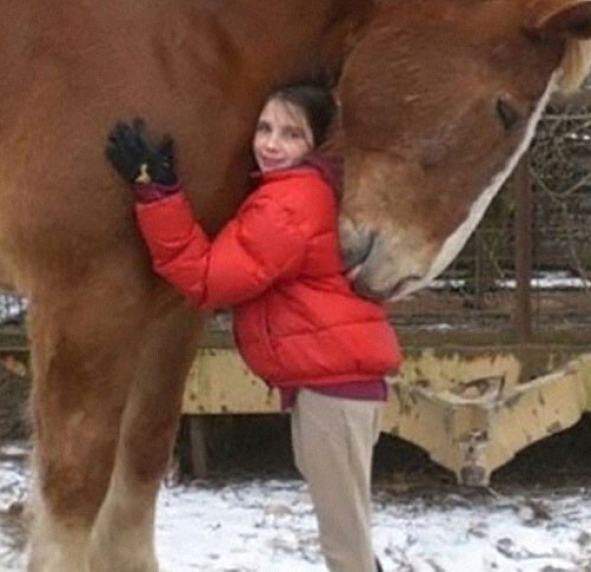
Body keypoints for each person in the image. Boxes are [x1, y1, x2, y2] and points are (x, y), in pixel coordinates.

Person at [105, 80, 402, 572]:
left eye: (291, 134)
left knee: (345, 541)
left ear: (314, 145)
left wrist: (157, 193)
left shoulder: (291, 201)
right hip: (333, 382)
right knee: (346, 530)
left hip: (334, 386)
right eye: (264, 128)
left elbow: (206, 279)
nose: (270, 144)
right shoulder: (301, 190)